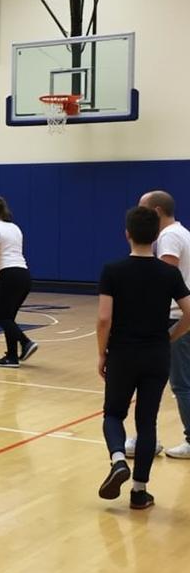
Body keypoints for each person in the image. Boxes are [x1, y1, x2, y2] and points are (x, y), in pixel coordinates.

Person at [97, 206, 190, 510]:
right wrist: (170, 336)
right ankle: (139, 492)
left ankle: (118, 459)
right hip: (156, 355)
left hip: (123, 353)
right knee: (146, 421)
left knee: (113, 414)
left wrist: (102, 353)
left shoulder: (113, 270)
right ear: (156, 237)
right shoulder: (169, 272)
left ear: (127, 234)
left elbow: (103, 319)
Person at [134, 190, 190, 460]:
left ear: (156, 211)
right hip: (179, 315)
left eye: (142, 209)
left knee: (179, 382)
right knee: (160, 380)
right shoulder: (182, 233)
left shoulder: (168, 237)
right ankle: (148, 437)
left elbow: (163, 279)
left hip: (175, 317)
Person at [0, 195, 36, 367]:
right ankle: (12, 357)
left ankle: (26, 343)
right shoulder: (15, 227)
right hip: (23, 275)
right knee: (9, 318)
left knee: (2, 319)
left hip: (9, 275)